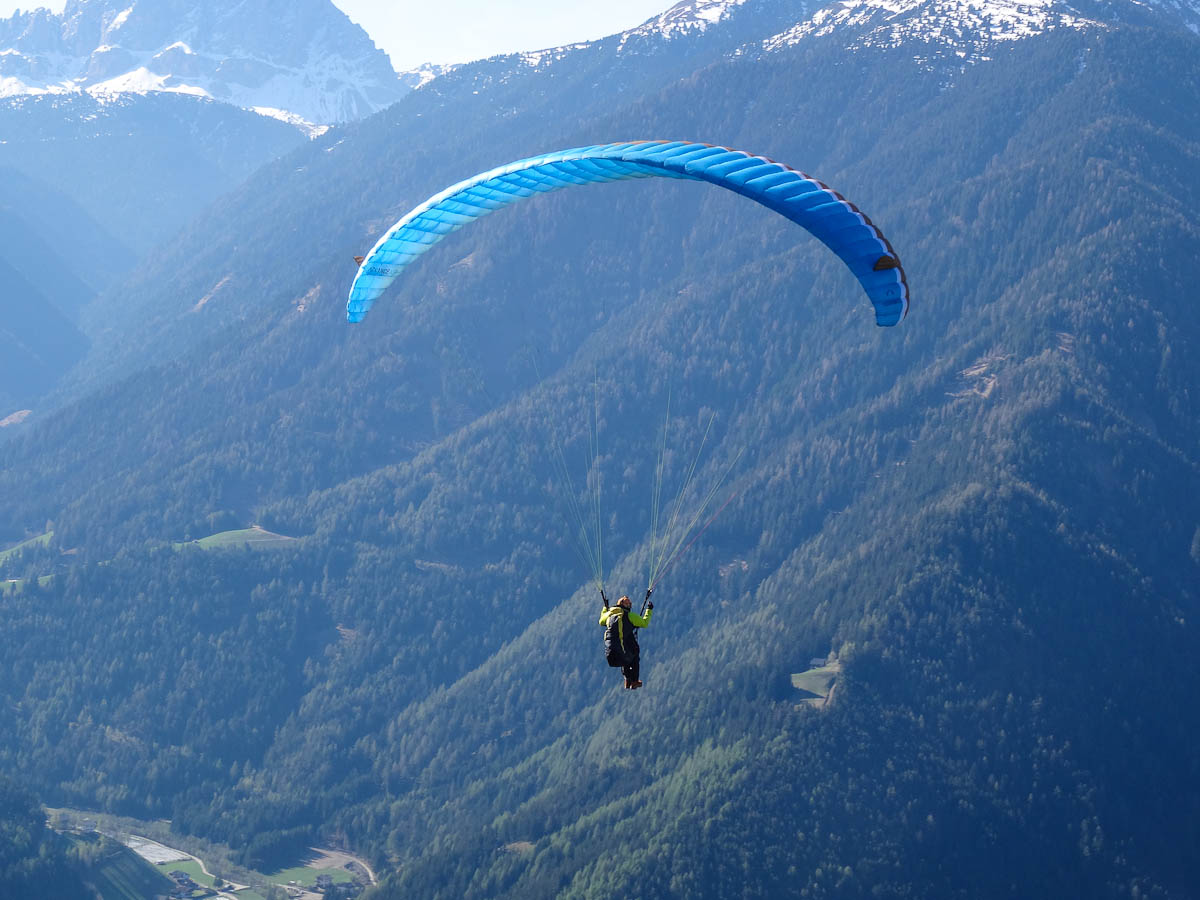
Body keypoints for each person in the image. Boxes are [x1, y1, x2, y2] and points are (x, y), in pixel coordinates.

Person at [599, 593, 653, 689]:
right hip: (621, 656)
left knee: (626, 646)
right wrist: (649, 610)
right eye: (629, 604)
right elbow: (644, 623)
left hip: (610, 657)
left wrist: (605, 608)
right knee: (634, 652)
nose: (630, 605)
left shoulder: (609, 614)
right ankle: (634, 681)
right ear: (626, 605)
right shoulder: (629, 616)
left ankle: (627, 680)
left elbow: (601, 621)